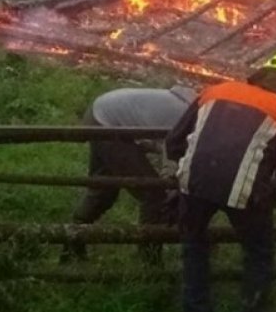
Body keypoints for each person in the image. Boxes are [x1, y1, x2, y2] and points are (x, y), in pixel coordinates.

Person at [165, 51, 276, 312]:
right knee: (258, 253)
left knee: (194, 245)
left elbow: (174, 143)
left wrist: (198, 168)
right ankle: (253, 306)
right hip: (244, 191)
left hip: (194, 182)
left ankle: (196, 306)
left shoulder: (215, 91)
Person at [61, 84, 197, 264]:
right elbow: (171, 161)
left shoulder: (189, 109)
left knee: (103, 188)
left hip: (102, 111)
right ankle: (149, 259)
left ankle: (71, 247)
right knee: (154, 194)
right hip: (109, 124)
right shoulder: (188, 119)